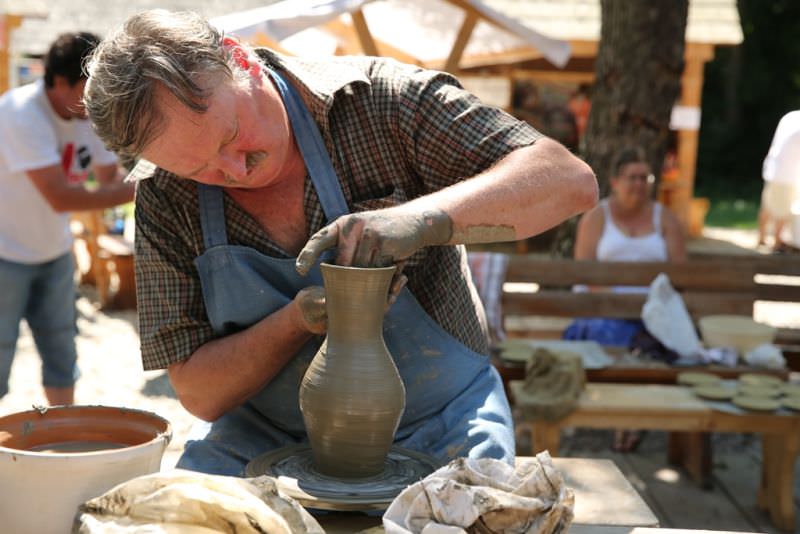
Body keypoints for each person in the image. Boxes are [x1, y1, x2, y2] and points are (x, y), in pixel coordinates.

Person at [84, 9, 597, 476]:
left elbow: (569, 182)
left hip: (441, 419)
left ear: (240, 59)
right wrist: (295, 322)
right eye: (201, 170)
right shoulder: (163, 193)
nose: (234, 171)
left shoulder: (380, 104)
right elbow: (199, 393)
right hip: (263, 435)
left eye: (230, 136)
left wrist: (424, 218)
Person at [0, 33, 134, 406]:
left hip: (54, 253)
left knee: (62, 355)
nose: (97, 95)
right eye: (89, 85)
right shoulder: (19, 113)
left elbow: (110, 176)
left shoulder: (85, 112)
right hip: (5, 255)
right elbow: (60, 198)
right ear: (60, 82)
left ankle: (63, 437)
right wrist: (141, 190)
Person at [568, 146, 685, 451]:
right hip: (603, 308)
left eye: (644, 177)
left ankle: (634, 417)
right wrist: (617, 303)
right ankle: (624, 418)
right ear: (615, 181)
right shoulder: (597, 217)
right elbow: (585, 273)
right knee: (613, 336)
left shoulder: (665, 219)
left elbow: (681, 275)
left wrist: (650, 306)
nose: (639, 184)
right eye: (631, 177)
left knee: (667, 342)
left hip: (653, 310)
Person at [758, 111, 800, 251]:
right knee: (783, 209)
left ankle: (762, 237)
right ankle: (777, 242)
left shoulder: (791, 116)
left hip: (774, 167)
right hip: (787, 173)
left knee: (768, 205)